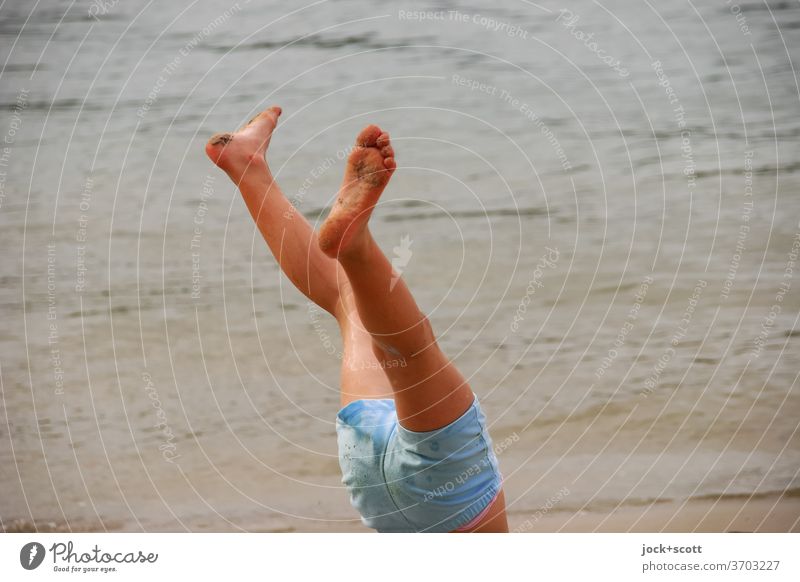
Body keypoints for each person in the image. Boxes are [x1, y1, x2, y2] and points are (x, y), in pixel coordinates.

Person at [205, 106, 508, 532]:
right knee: (357, 311)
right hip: (367, 470)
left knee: (410, 350)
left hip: (421, 477)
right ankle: (246, 167)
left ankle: (354, 244)